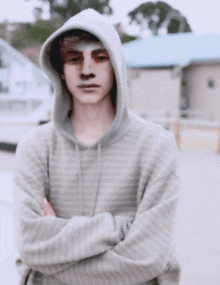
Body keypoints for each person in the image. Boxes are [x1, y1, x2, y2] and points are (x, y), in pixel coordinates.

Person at [14, 9, 180, 285]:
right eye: (74, 58)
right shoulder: (36, 147)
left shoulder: (156, 145)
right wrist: (120, 227)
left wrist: (55, 248)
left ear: (116, 65)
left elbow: (148, 257)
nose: (87, 70)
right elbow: (30, 244)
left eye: (100, 57)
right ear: (60, 70)